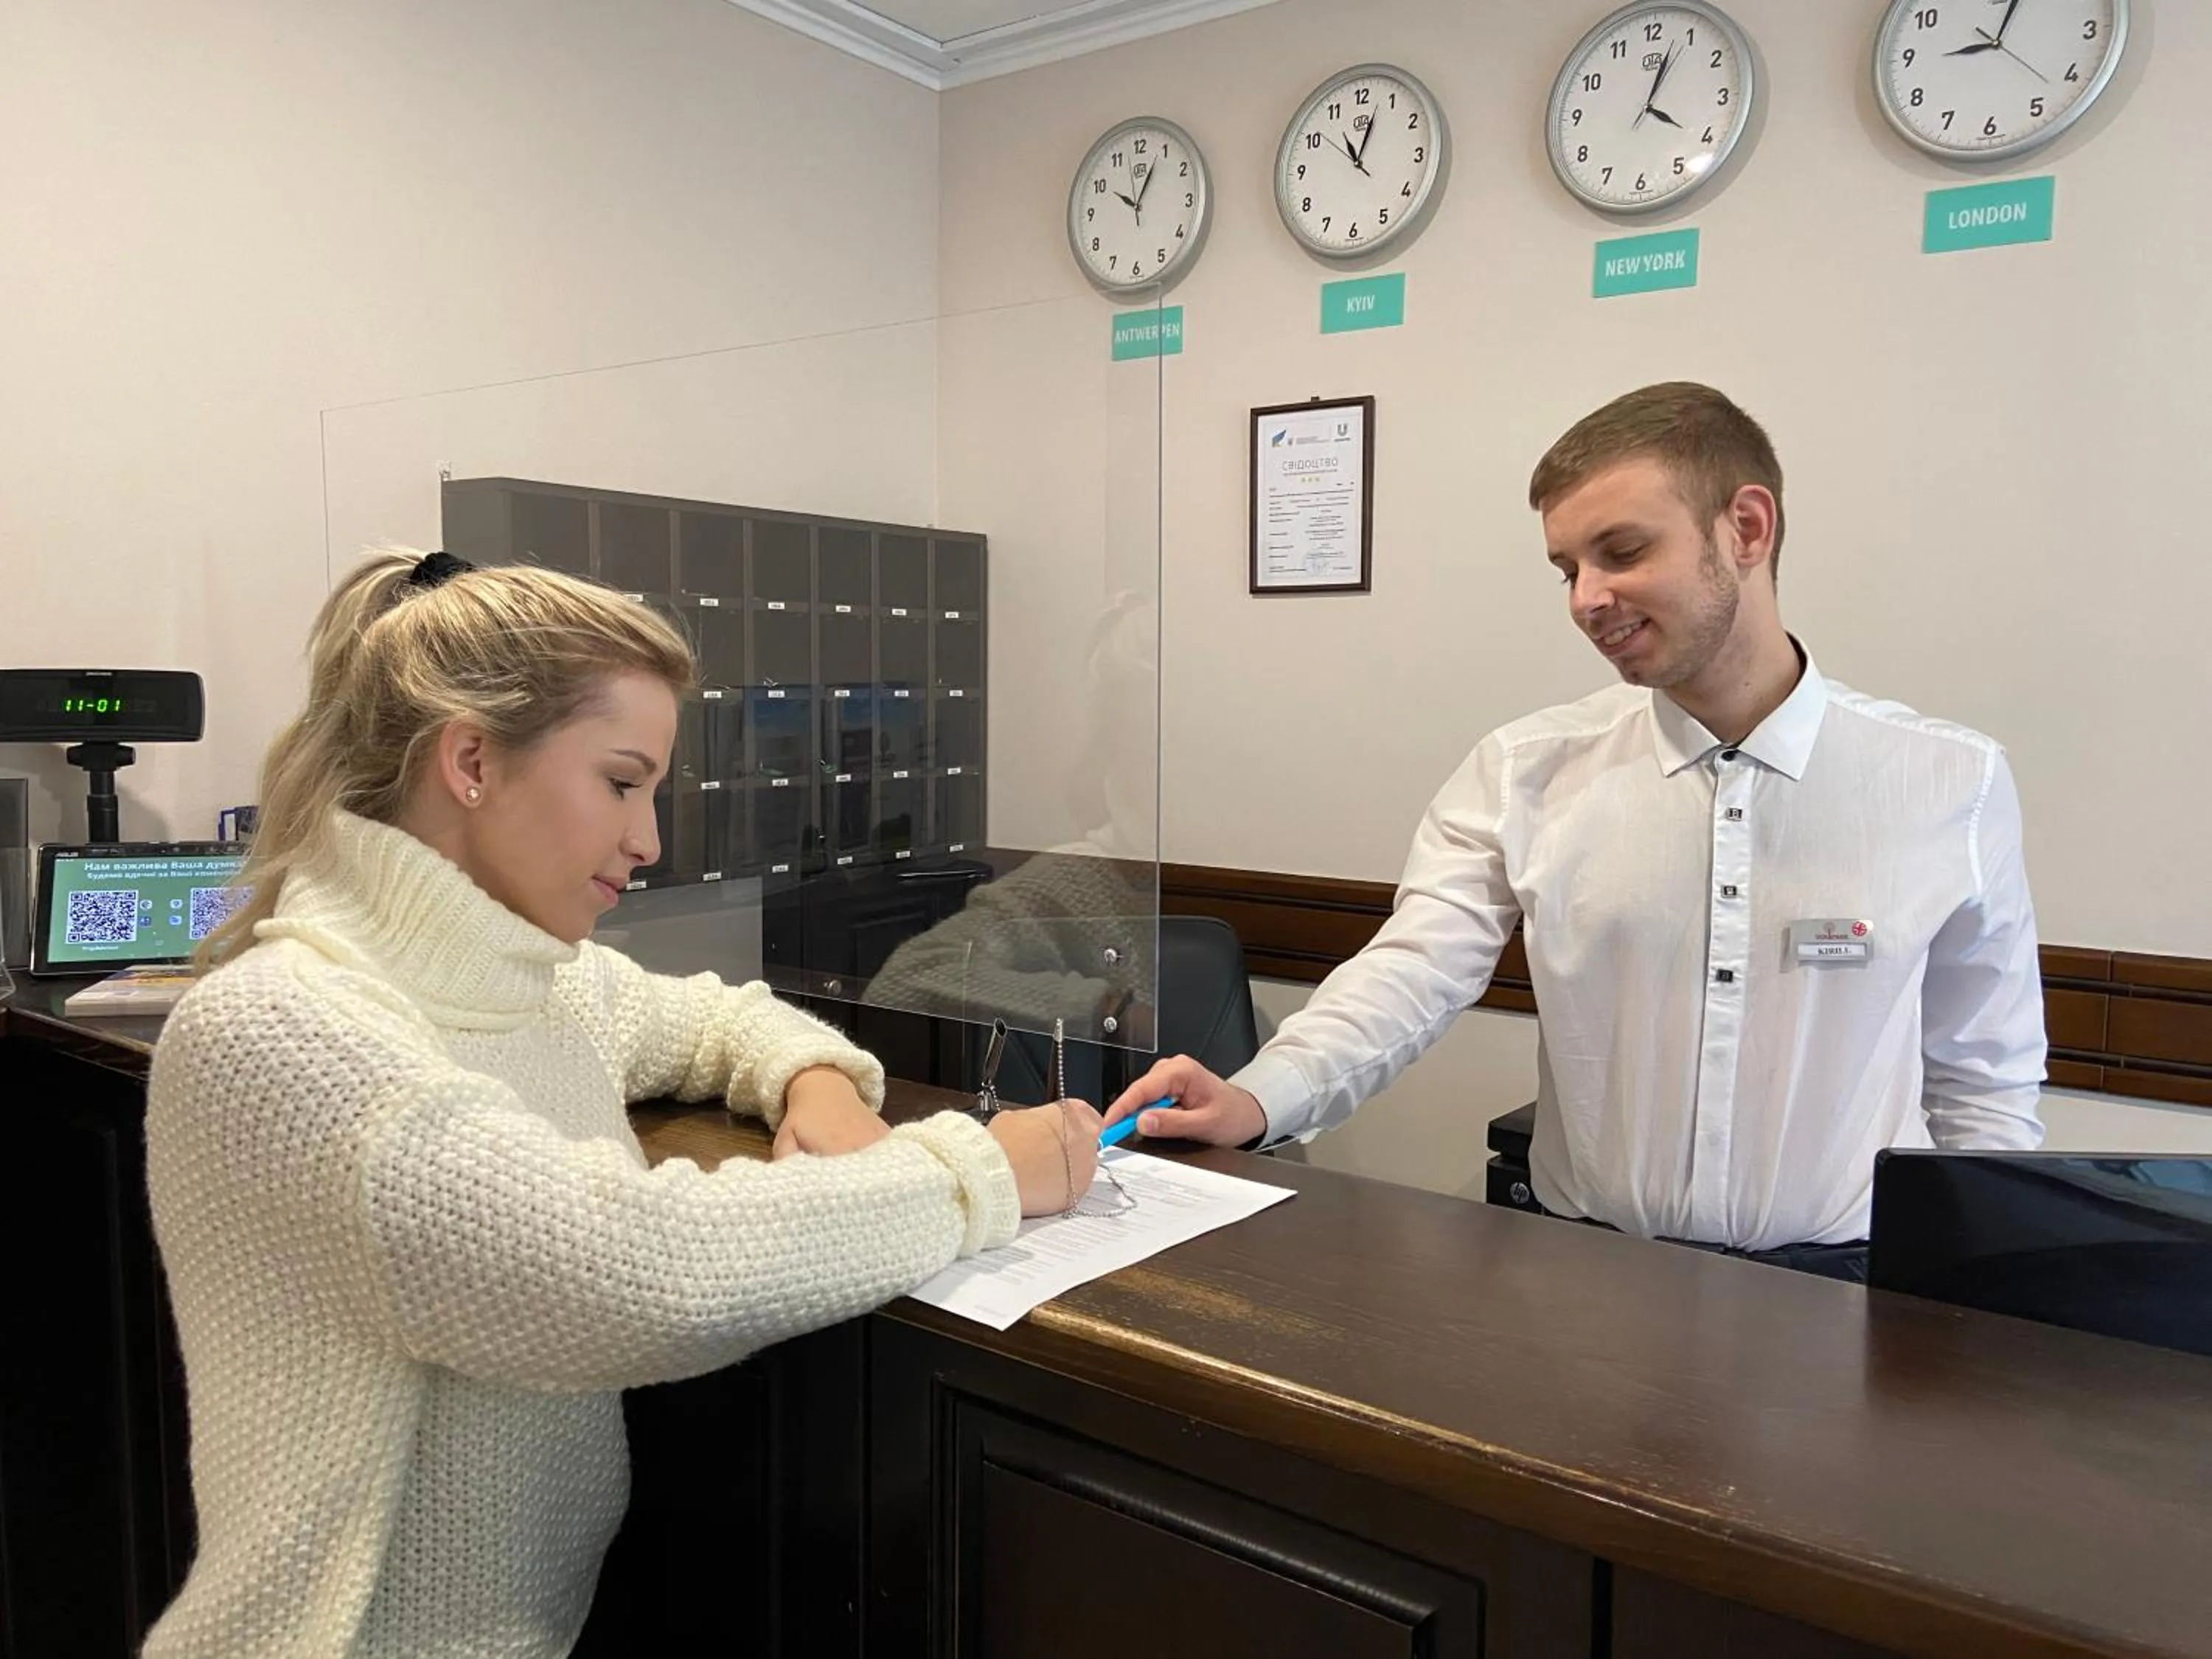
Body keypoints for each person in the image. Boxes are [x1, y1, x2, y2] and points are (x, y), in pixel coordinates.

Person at [143, 549, 1099, 1658]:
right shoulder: (276, 1032)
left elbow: (717, 1017)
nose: (648, 841)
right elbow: (635, 1272)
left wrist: (818, 1084)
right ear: (469, 760)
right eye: (621, 782)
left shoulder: (534, 978)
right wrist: (975, 1172)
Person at [1107, 383, 2046, 1279]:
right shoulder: (1528, 769)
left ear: (1746, 529)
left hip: (1844, 1288)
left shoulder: (1948, 783)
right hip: (1588, 1274)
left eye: (1621, 551)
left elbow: (1986, 1084)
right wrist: (1260, 1096)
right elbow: (1409, 976)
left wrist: (1981, 1297)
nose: (1586, 599)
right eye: (1568, 568)